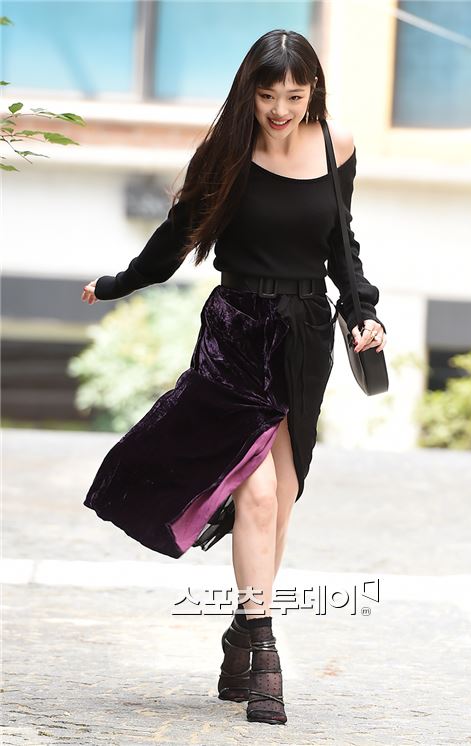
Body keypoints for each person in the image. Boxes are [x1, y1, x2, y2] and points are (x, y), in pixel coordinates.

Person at [81, 28, 387, 726]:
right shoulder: (225, 154)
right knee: (259, 493)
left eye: (294, 96)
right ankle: (264, 649)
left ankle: (240, 634)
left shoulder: (336, 146)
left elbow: (342, 247)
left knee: (283, 495)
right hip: (239, 330)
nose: (280, 109)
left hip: (305, 335)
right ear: (249, 90)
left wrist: (364, 313)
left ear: (313, 92)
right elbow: (175, 238)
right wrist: (118, 282)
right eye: (268, 94)